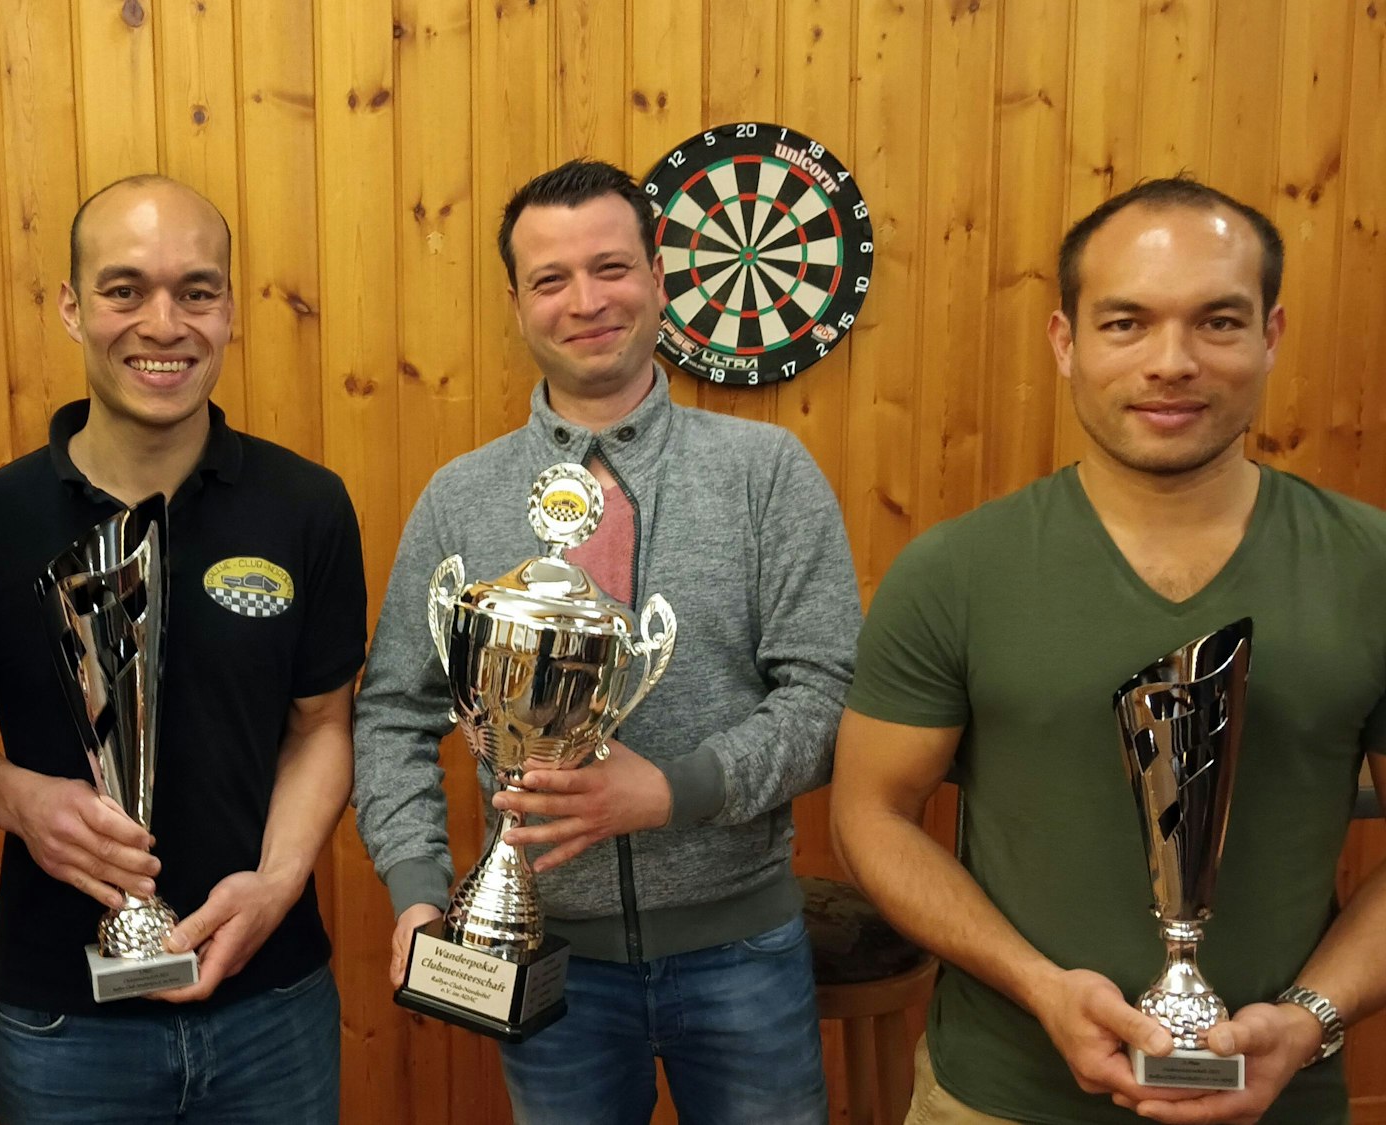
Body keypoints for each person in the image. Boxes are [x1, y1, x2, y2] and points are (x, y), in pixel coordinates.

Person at [831, 176, 1386, 1125]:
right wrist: (1040, 985)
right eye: (1126, 323)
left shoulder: (1371, 566)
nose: (1172, 362)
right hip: (996, 1099)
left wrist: (1306, 1019)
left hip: (1283, 1101)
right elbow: (869, 814)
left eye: (1217, 322)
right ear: (1066, 342)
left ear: (1271, 336)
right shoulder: (957, 571)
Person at [352, 158, 861, 1124]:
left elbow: (827, 695)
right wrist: (418, 889)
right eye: (551, 279)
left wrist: (671, 792)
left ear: (659, 278)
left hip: (741, 952)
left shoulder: (765, 473)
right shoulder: (462, 497)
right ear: (517, 303)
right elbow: (393, 713)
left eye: (611, 267)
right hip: (545, 959)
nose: (585, 301)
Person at [0, 175, 366, 1125]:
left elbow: (324, 725)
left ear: (231, 312)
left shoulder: (306, 506)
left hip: (273, 1003)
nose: (163, 324)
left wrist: (280, 881)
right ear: (73, 310)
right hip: (63, 1020)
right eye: (125, 290)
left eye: (196, 291)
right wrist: (21, 799)